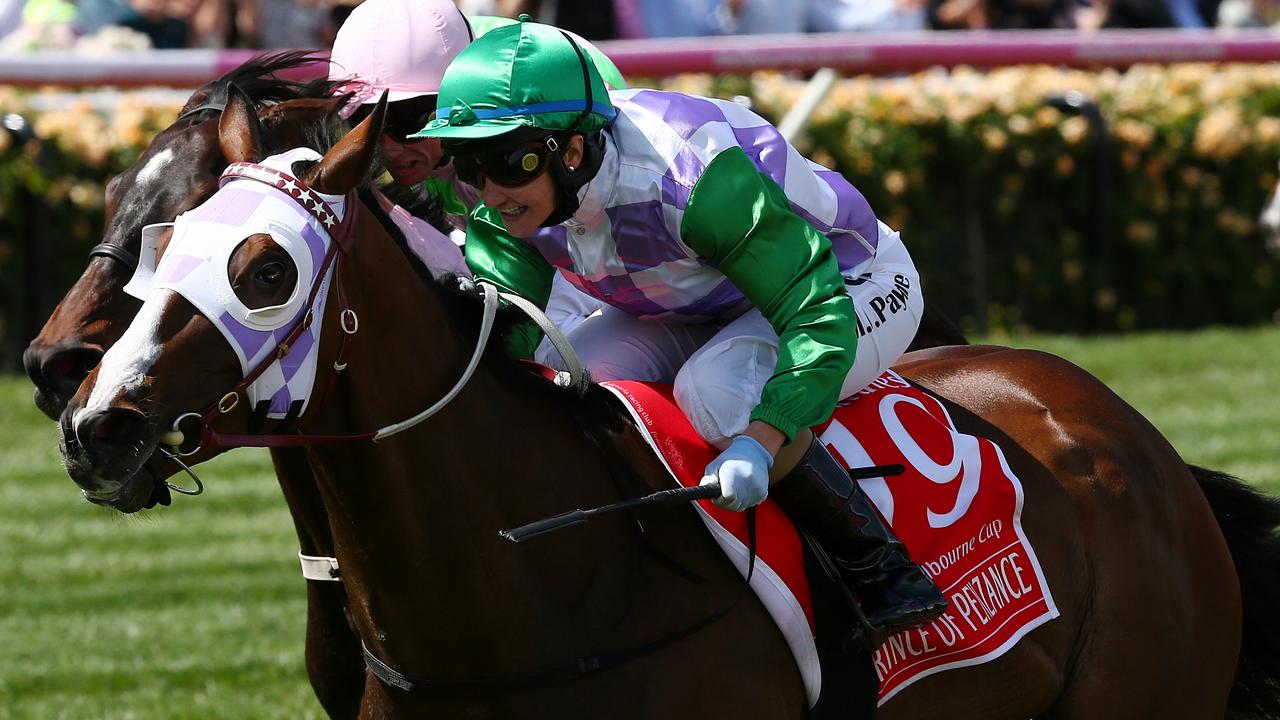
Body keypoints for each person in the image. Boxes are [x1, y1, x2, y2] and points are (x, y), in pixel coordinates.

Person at [414, 17, 947, 639]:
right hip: (691, 300)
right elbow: (505, 342)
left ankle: (876, 565)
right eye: (469, 164)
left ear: (574, 149)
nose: (489, 190)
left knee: (718, 396)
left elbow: (812, 308)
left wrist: (763, 439)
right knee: (564, 388)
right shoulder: (506, 205)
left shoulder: (692, 177)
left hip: (846, 280)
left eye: (509, 160)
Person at [326, 0, 621, 333]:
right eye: (365, 124)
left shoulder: (541, 92)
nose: (388, 148)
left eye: (406, 120)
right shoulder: (447, 73)